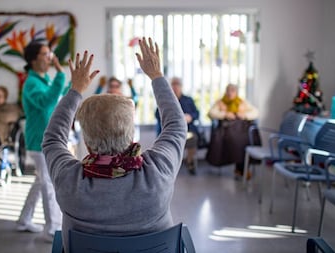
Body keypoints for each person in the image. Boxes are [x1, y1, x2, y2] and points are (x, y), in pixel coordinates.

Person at [42, 37, 187, 253]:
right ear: (131, 138)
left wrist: (76, 89)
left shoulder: (69, 180)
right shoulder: (158, 172)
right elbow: (176, 125)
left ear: (88, 144)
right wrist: (156, 76)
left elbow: (53, 138)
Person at [16, 42, 66, 241]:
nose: (50, 58)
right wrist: (61, 74)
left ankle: (23, 220)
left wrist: (69, 84)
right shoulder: (31, 83)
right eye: (46, 54)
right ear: (33, 59)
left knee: (41, 181)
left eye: (49, 54)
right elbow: (46, 101)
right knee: (48, 183)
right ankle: (53, 228)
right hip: (39, 140)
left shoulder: (44, 79)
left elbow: (56, 97)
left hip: (47, 138)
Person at [206, 83, 259, 179]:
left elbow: (255, 112)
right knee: (236, 141)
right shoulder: (220, 102)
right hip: (227, 129)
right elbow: (211, 113)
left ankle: (241, 168)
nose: (230, 93)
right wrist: (224, 114)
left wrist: (245, 115)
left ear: (236, 92)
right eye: (228, 91)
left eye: (232, 91)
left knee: (246, 140)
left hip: (241, 129)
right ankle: (242, 169)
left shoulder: (242, 102)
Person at [155, 77, 200, 175]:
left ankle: (190, 162)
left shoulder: (188, 100)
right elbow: (157, 115)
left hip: (187, 131)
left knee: (193, 138)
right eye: (173, 84)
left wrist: (190, 117)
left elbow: (196, 113)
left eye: (177, 84)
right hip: (169, 131)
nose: (175, 86)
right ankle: (170, 165)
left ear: (181, 86)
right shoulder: (165, 100)